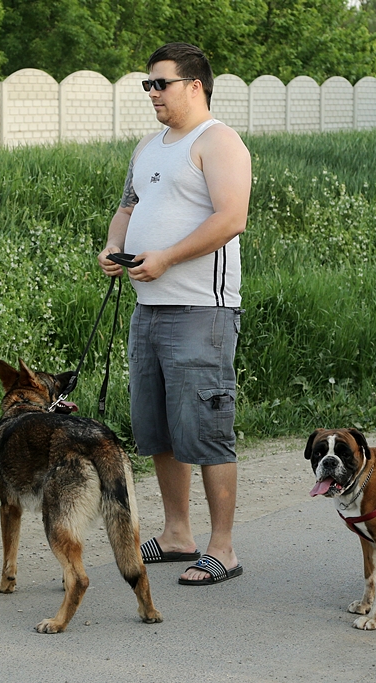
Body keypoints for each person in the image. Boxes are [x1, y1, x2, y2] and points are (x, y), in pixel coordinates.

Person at [96, 43, 251, 586]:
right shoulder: (148, 145)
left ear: (194, 86)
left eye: (160, 83)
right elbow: (128, 205)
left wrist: (164, 257)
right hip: (148, 308)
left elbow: (232, 219)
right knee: (157, 427)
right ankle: (178, 533)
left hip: (200, 310)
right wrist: (116, 246)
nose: (152, 93)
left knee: (205, 427)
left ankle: (223, 547)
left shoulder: (219, 142)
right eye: (148, 85)